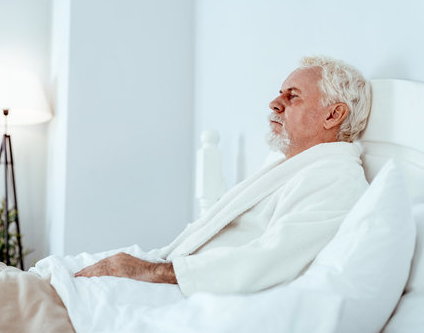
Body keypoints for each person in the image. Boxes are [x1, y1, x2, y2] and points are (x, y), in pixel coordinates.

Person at [75, 55, 372, 296]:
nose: (274, 103)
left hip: (193, 292)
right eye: (280, 92)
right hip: (179, 278)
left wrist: (149, 271)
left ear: (333, 115)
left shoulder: (337, 180)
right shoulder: (292, 168)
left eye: (292, 96)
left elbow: (269, 260)